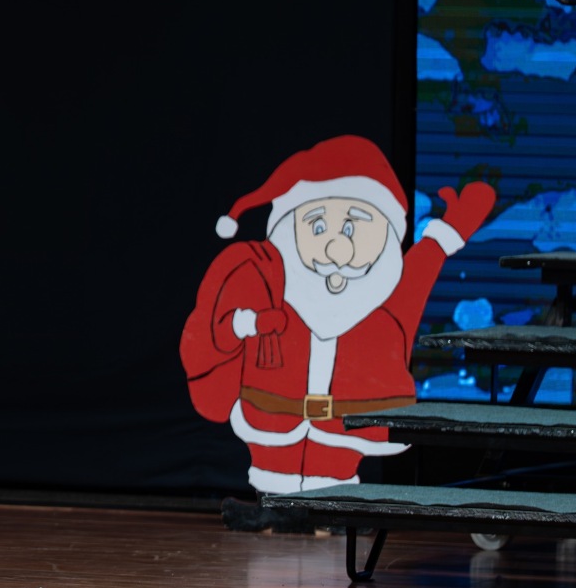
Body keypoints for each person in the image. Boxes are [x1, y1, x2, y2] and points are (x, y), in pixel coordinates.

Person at [180, 134, 496, 530]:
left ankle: (334, 505)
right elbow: (221, 323)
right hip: (275, 409)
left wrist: (444, 234)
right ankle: (275, 502)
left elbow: (420, 268)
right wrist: (244, 324)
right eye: (316, 225)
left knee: (336, 457)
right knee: (275, 452)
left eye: (352, 227)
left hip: (345, 417)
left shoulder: (386, 298)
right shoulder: (271, 285)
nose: (334, 248)